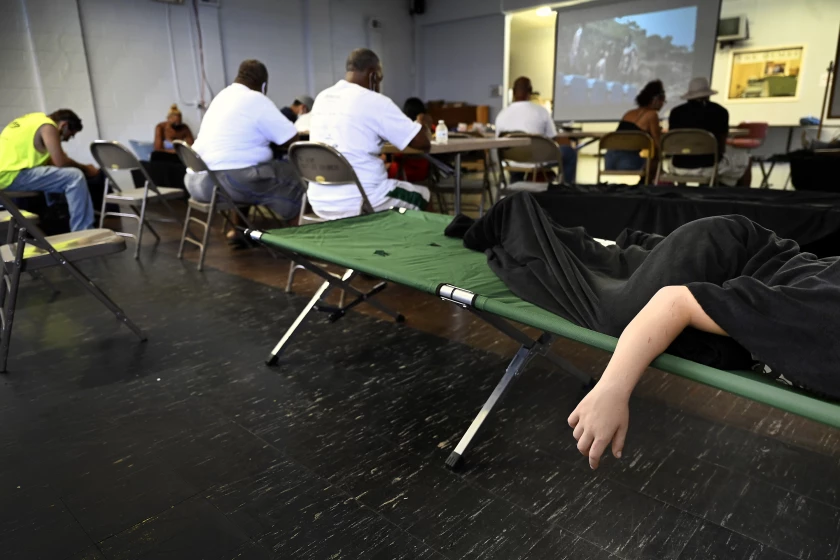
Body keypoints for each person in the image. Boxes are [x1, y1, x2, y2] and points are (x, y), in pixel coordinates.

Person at [185, 59, 304, 242]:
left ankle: (239, 231)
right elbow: (291, 139)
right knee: (296, 178)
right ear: (263, 85)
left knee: (250, 171)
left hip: (196, 181)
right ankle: (301, 244)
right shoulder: (256, 98)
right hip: (225, 183)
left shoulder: (222, 96)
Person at [308, 48, 432, 219]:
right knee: (425, 196)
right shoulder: (375, 101)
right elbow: (422, 143)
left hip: (319, 199)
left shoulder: (322, 98)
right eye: (379, 79)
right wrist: (423, 123)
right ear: (374, 75)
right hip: (364, 198)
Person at [0, 109, 96, 231]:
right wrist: (87, 168)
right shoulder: (48, 126)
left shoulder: (30, 119)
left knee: (56, 174)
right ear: (64, 125)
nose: (67, 139)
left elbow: (50, 162)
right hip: (10, 175)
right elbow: (60, 162)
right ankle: (84, 230)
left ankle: (54, 219)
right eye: (70, 135)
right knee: (75, 176)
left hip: (5, 174)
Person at [495, 76, 578, 184]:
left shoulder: (501, 115)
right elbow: (552, 139)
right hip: (537, 160)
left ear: (514, 92)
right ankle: (566, 190)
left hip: (511, 161)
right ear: (530, 92)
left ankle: (515, 183)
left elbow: (499, 142)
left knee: (517, 155)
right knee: (569, 153)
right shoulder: (541, 112)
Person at [668, 77, 749, 186]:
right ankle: (739, 198)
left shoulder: (675, 113)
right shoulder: (720, 112)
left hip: (678, 166)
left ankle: (682, 190)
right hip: (709, 166)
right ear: (708, 94)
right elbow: (721, 146)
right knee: (745, 158)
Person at [604, 80, 665, 180]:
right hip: (628, 162)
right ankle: (646, 189)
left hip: (609, 161)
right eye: (662, 100)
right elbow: (657, 143)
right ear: (656, 100)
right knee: (655, 160)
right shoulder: (652, 115)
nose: (663, 104)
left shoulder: (629, 113)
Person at [387, 97, 432, 183]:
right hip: (424, 171)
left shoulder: (404, 129)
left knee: (383, 167)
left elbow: (397, 153)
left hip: (403, 171)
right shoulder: (429, 127)